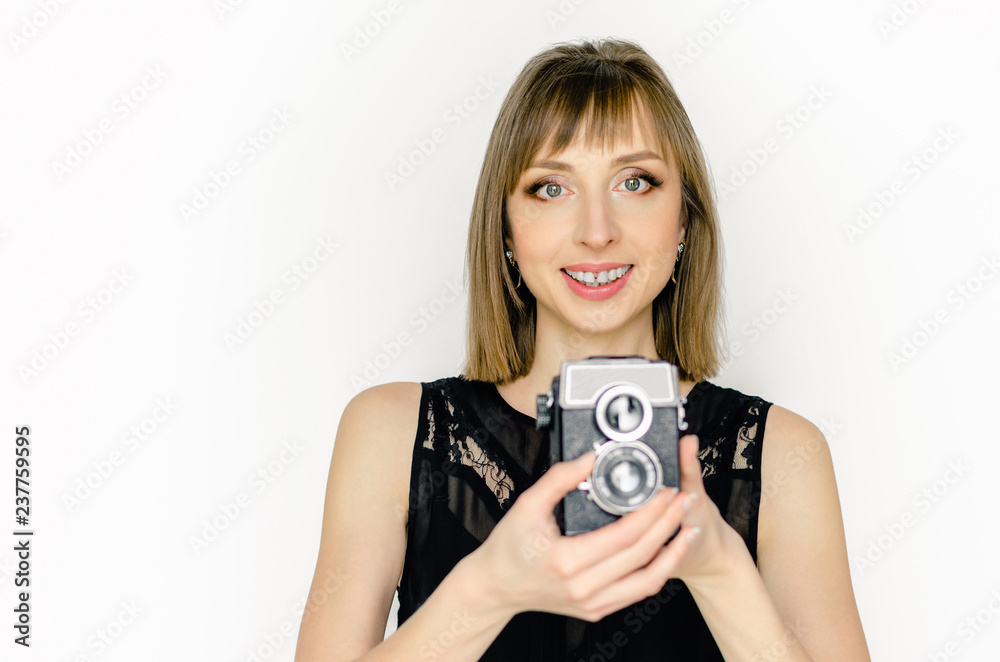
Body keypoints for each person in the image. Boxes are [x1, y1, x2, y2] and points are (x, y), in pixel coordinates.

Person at [294, 38, 870, 661]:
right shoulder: (394, 433)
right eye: (551, 188)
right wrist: (490, 588)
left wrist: (717, 568)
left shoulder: (781, 453)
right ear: (506, 230)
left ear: (683, 221)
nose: (597, 232)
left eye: (634, 181)